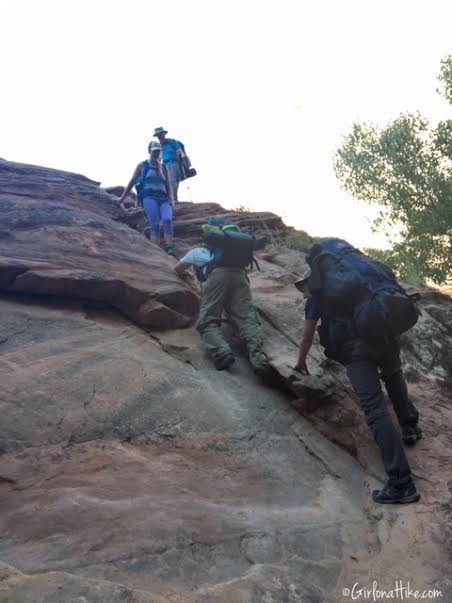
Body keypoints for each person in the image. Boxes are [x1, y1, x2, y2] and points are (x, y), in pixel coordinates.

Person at [293, 253, 422, 505]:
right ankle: (410, 426)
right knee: (394, 377)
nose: (303, 293)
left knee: (374, 409)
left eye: (302, 287)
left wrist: (300, 363)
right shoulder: (357, 285)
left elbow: (307, 337)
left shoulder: (317, 297)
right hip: (385, 338)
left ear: (312, 281)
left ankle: (401, 483)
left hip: (357, 352)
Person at [174, 219, 271, 375]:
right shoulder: (238, 250)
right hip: (241, 276)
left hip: (217, 277)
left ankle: (222, 352)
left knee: (208, 318)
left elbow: (178, 269)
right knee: (247, 317)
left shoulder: (198, 252)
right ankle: (259, 358)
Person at [118, 141, 175, 255]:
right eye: (154, 151)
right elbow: (132, 181)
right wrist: (122, 198)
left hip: (163, 198)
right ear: (149, 151)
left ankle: (169, 247)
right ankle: (156, 251)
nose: (156, 153)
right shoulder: (142, 166)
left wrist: (172, 200)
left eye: (158, 151)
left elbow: (168, 184)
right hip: (149, 197)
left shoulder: (164, 167)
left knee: (167, 219)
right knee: (155, 224)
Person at [153, 127, 191, 201]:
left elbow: (179, 151)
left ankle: (173, 199)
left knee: (173, 180)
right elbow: (158, 158)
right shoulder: (159, 146)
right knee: (163, 182)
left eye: (160, 134)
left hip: (173, 163)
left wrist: (184, 161)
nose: (159, 136)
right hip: (163, 165)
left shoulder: (172, 141)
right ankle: (166, 198)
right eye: (158, 135)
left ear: (164, 134)